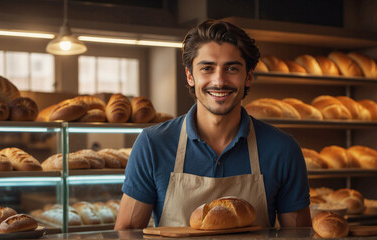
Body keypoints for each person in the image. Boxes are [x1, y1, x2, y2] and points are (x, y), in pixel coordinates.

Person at [114, 19, 311, 229]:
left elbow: (298, 236)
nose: (219, 81)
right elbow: (127, 234)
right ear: (190, 76)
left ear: (248, 77)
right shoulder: (153, 144)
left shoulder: (283, 149)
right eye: (207, 68)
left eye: (232, 69)